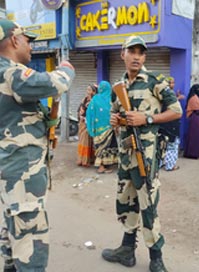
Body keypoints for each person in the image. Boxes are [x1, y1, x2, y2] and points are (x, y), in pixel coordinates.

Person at [102, 35, 182, 272]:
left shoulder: (154, 82)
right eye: (132, 51)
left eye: (141, 52)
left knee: (148, 204)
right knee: (126, 202)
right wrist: (116, 119)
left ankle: (156, 257)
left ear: (144, 57)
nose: (136, 56)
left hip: (145, 157)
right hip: (126, 155)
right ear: (122, 53)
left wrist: (147, 118)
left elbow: (176, 111)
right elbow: (115, 114)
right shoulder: (119, 86)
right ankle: (127, 250)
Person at [0, 19, 75, 271]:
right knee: (30, 250)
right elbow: (56, 82)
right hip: (21, 179)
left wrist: (47, 119)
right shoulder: (10, 72)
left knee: (11, 242)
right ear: (14, 40)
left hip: (9, 178)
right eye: (27, 40)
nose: (31, 46)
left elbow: (16, 114)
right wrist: (66, 68)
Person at [86, 80, 118, 173]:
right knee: (107, 147)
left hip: (97, 129)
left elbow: (89, 113)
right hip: (109, 127)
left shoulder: (95, 99)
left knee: (101, 147)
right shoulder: (111, 100)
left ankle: (104, 165)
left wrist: (91, 127)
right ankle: (101, 167)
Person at [159, 76, 184, 171]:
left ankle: (161, 163)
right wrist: (177, 98)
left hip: (163, 124)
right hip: (171, 124)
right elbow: (170, 107)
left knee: (162, 145)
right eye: (170, 83)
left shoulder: (162, 94)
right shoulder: (169, 94)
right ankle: (170, 165)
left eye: (173, 83)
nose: (172, 85)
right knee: (172, 145)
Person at [183, 84, 199, 159]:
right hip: (196, 119)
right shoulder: (194, 98)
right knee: (197, 137)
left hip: (195, 119)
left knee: (194, 136)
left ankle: (193, 153)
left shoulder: (193, 97)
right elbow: (197, 110)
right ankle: (195, 153)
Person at [76, 84, 97, 167]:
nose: (87, 92)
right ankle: (81, 159)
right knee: (82, 140)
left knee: (87, 141)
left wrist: (87, 119)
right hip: (82, 123)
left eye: (89, 90)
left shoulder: (95, 101)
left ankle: (86, 160)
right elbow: (79, 109)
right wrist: (80, 116)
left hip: (89, 123)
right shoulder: (84, 100)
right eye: (87, 89)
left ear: (94, 92)